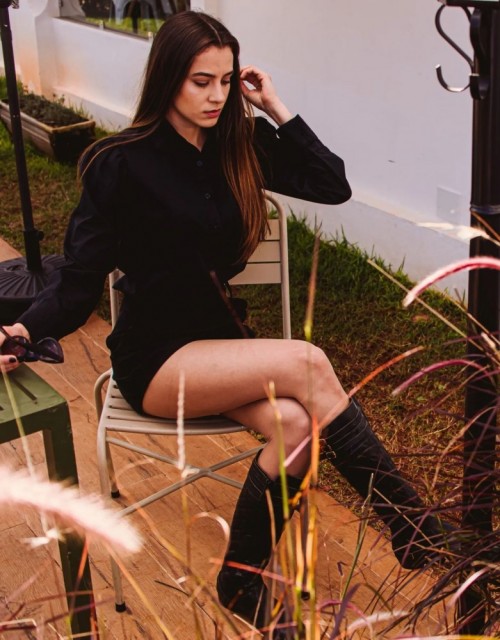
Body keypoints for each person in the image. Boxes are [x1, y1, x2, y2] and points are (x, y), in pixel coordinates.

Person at [0, 10, 449, 638]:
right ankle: (417, 530)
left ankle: (241, 580)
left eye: (225, 80)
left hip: (222, 346)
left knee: (297, 427)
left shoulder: (242, 146)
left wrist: (275, 107)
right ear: (168, 80)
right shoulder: (119, 162)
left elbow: (333, 185)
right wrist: (23, 331)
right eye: (200, 81)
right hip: (156, 357)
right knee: (308, 361)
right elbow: (78, 281)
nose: (215, 96)